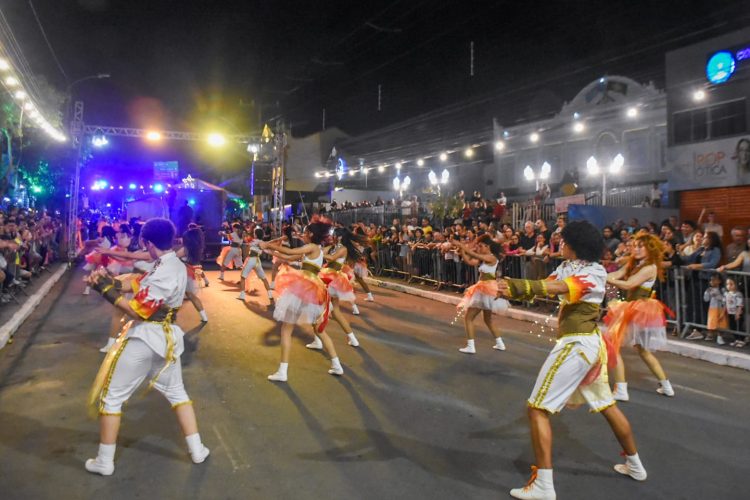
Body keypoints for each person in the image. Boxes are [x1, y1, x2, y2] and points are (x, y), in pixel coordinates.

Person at [498, 220, 647, 499]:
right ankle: (636, 466)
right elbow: (548, 284)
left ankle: (544, 486)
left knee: (537, 409)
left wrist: (516, 287)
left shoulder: (594, 273)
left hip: (578, 345)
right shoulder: (569, 266)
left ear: (575, 246)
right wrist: (507, 286)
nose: (560, 244)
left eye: (564, 241)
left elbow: (559, 288)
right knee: (607, 405)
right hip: (585, 345)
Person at [84, 218, 209, 476]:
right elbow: (137, 284)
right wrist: (110, 280)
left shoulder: (164, 269)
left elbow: (137, 311)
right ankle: (197, 449)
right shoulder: (170, 263)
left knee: (111, 397)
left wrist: (104, 289)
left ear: (148, 243)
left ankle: (105, 461)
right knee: (177, 393)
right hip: (167, 340)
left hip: (146, 338)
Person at [260, 218, 344, 382]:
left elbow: (291, 252)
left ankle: (282, 371)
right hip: (313, 290)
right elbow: (289, 257)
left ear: (311, 234)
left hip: (303, 289)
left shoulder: (312, 247)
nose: (302, 235)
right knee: (319, 330)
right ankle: (336, 364)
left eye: (305, 233)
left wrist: (268, 245)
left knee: (286, 329)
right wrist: (271, 251)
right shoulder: (316, 249)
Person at [605, 232, 674, 400]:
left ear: (650, 249)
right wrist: (601, 276)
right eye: (635, 246)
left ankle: (621, 389)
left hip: (638, 311)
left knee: (613, 347)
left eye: (640, 247)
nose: (636, 249)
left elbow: (629, 284)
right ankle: (666, 386)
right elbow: (617, 274)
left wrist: (607, 280)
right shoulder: (635, 264)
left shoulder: (650, 268)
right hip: (634, 309)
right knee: (642, 350)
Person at [453, 234, 509, 354]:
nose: (479, 248)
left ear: (487, 246)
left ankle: (471, 346)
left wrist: (461, 245)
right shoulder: (485, 258)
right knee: (488, 320)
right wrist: (462, 250)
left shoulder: (491, 257)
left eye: (481, 246)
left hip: (485, 290)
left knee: (468, 318)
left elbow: (474, 255)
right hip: (486, 289)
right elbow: (469, 261)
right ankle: (500, 344)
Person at [312, 227, 365, 349]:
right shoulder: (334, 246)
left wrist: (320, 252)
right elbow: (321, 251)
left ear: (340, 236)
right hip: (331, 279)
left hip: (330, 280)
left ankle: (318, 340)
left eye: (334, 234)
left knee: (318, 310)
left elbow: (331, 258)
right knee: (335, 313)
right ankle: (353, 339)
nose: (332, 236)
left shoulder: (343, 248)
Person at [237, 227, 274, 304]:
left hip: (251, 260)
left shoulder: (254, 241)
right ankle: (270, 294)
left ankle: (242, 295)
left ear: (256, 235)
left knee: (243, 277)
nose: (253, 234)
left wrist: (244, 237)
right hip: (257, 261)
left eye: (254, 233)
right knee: (264, 278)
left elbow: (246, 242)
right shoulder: (262, 242)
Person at [724, 278, 746, 347]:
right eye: (727, 284)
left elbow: (740, 304)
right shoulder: (726, 293)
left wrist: (738, 313)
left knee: (739, 326)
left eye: (731, 284)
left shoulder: (738, 294)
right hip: (730, 313)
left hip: (737, 313)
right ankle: (736, 339)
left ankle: (742, 340)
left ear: (736, 285)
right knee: (732, 326)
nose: (729, 286)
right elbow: (724, 302)